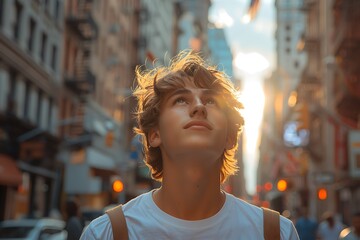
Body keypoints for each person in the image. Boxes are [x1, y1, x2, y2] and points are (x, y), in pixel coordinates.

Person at [80, 51, 299, 239]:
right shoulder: (106, 233)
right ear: (155, 134)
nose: (199, 107)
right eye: (181, 100)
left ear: (229, 138)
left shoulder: (276, 233)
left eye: (211, 101)